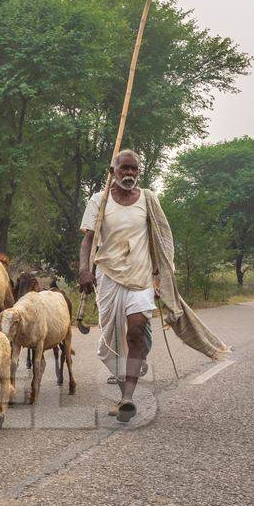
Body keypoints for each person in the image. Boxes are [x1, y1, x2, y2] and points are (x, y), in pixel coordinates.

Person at [78, 150, 157, 421]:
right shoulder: (98, 201)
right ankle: (126, 389)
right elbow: (88, 239)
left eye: (134, 169)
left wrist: (161, 275)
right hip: (109, 276)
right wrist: (84, 271)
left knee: (135, 331)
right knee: (112, 341)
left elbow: (160, 238)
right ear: (113, 171)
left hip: (140, 275)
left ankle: (127, 398)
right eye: (124, 168)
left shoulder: (147, 200)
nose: (130, 174)